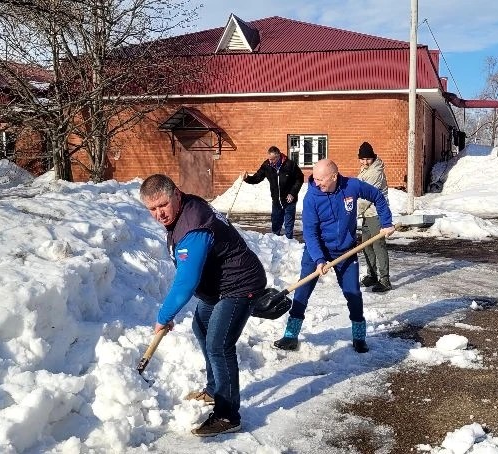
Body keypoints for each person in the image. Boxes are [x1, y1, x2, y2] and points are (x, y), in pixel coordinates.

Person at [139, 174, 267, 437]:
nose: (159, 214)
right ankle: (214, 389)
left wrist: (165, 315)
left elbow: (186, 280)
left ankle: (228, 415)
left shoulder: (193, 227)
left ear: (176, 194)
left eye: (162, 205)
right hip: (217, 285)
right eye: (152, 209)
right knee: (201, 327)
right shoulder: (184, 209)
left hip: (239, 284)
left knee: (219, 344)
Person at [273, 159, 395, 354]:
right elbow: (310, 234)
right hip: (316, 250)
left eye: (321, 179)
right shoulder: (311, 198)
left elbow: (377, 196)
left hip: (346, 251)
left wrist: (386, 222)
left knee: (353, 294)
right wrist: (320, 259)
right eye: (315, 178)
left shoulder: (351, 186)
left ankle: (359, 337)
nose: (316, 182)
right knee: (302, 291)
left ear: (334, 177)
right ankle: (290, 335)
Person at [243, 146, 305, 239]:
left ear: (278, 156)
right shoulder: (267, 165)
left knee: (288, 222)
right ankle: (275, 240)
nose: (270, 161)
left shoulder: (290, 165)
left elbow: (299, 179)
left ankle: (289, 240)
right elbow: (257, 177)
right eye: (269, 159)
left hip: (289, 199)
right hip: (276, 199)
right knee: (276, 220)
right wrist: (247, 178)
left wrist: (292, 193)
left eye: (272, 159)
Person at [355, 141, 392, 293]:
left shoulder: (375, 172)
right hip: (366, 214)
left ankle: (385, 280)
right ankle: (372, 275)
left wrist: (352, 213)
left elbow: (366, 197)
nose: (365, 162)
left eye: (367, 159)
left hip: (376, 213)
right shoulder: (365, 170)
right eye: (362, 159)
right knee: (366, 245)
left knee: (378, 245)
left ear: (373, 157)